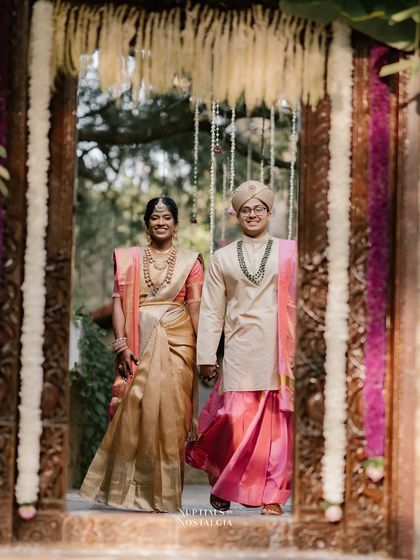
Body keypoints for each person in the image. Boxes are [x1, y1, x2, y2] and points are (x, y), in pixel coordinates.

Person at [80, 197, 204, 512]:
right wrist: (121, 343)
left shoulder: (191, 262)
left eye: (166, 217)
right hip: (137, 340)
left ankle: (165, 495)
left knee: (173, 416)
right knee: (136, 412)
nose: (160, 222)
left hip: (179, 343)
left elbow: (195, 310)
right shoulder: (129, 259)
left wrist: (204, 352)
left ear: (176, 224)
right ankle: (130, 491)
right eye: (154, 217)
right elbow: (120, 301)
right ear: (146, 223)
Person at [186, 180, 297, 516]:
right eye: (246, 210)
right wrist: (206, 356)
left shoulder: (290, 252)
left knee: (277, 428)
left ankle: (273, 496)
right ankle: (221, 475)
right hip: (239, 347)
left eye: (258, 209)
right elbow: (210, 309)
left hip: (279, 348)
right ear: (238, 215)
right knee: (233, 419)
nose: (252, 214)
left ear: (269, 212)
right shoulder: (221, 258)